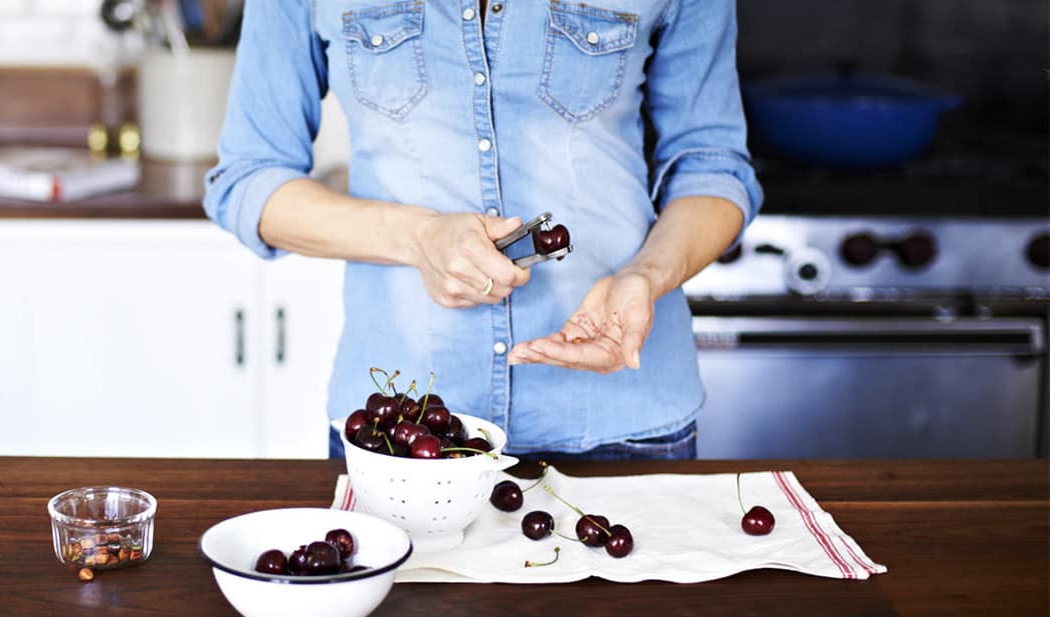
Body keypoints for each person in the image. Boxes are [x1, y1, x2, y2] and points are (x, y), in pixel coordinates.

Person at [204, 0, 762, 460]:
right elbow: (250, 179)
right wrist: (418, 238)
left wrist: (647, 276)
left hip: (621, 418)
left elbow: (712, 167)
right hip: (401, 432)